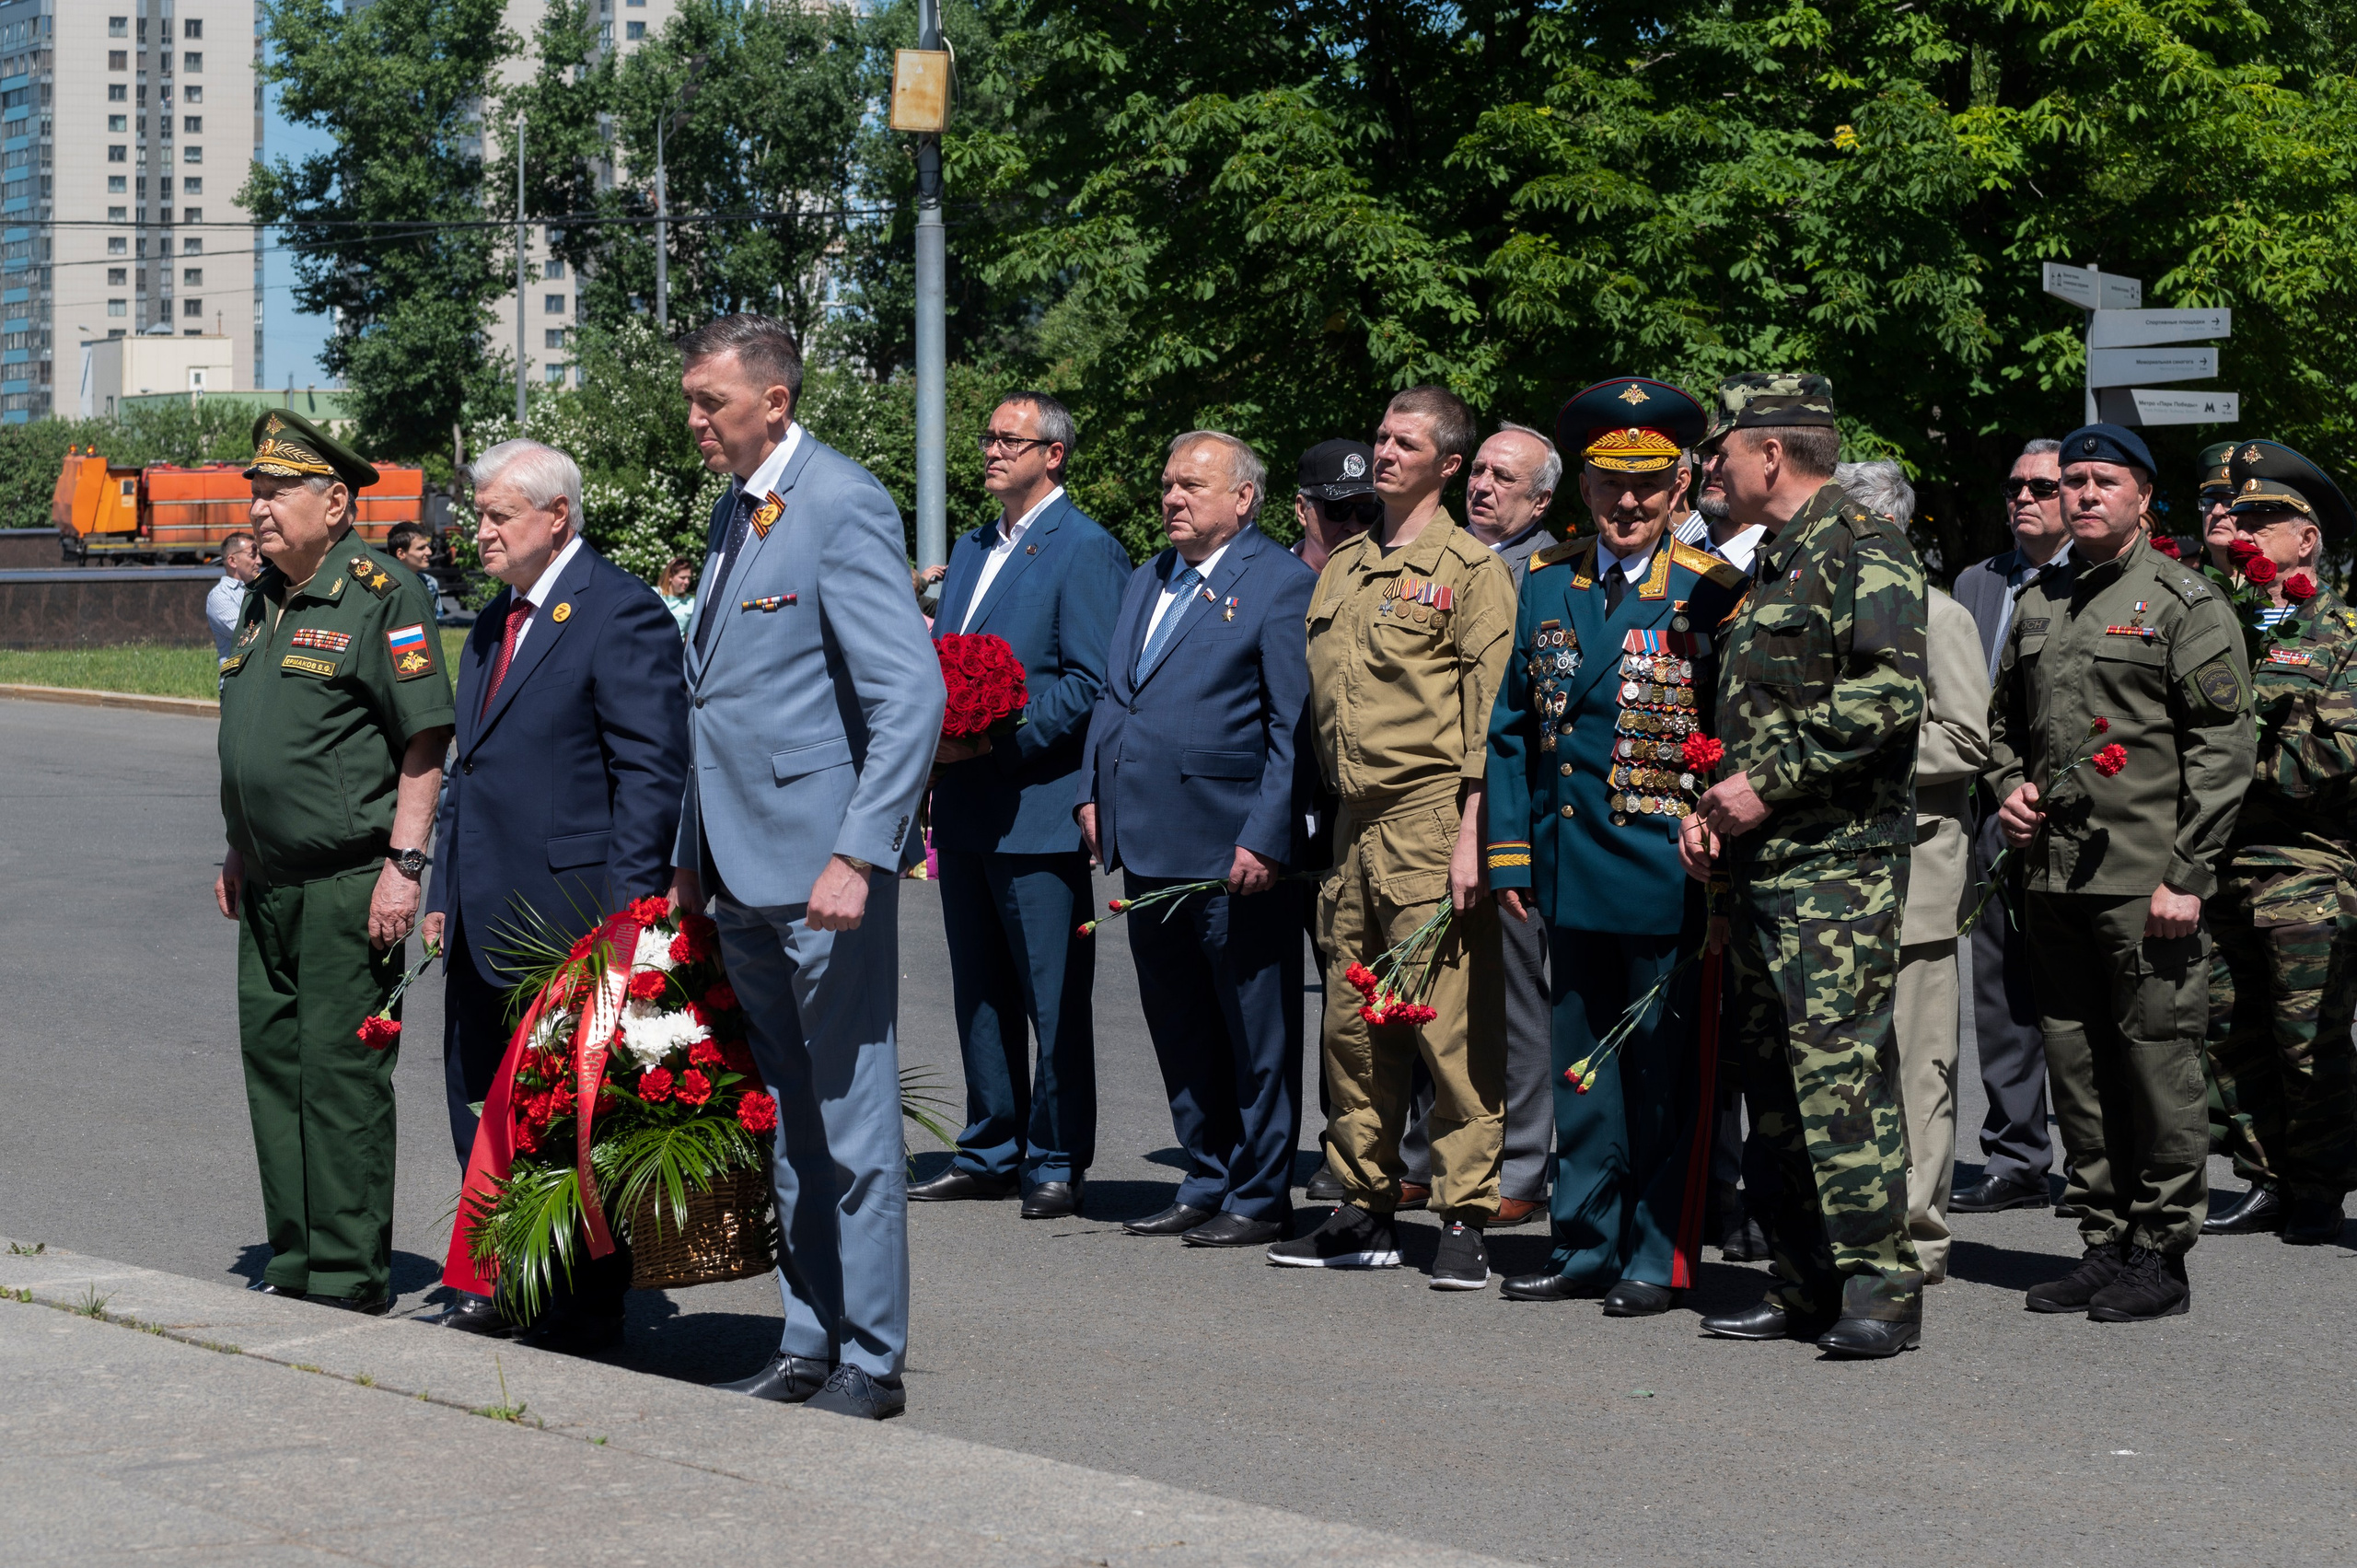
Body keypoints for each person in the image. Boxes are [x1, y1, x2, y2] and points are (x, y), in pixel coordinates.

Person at [668, 315, 943, 1420]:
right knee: (787, 1118)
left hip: (821, 876)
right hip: (740, 872)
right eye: (692, 402)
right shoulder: (745, 509)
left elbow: (907, 693)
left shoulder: (839, 500)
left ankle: (872, 1358)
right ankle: (806, 1334)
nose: (695, 423)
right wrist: (693, 859)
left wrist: (858, 851)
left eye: (710, 403)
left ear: (773, 400)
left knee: (853, 1120)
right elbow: (717, 702)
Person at [1677, 373, 1929, 1359]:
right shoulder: (1767, 564)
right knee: (1771, 1082)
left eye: (1720, 449)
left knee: (1838, 1075)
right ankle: (1801, 1285)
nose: (1711, 467)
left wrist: (1766, 783)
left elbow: (1888, 697)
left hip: (1835, 866)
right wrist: (1709, 813)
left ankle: (1880, 1287)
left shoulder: (1866, 550)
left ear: (1769, 453)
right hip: (1759, 864)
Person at [420, 439, 690, 1346]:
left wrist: (628, 917)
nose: (479, 531)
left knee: (574, 1112)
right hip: (484, 908)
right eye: (479, 514)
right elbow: (474, 766)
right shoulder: (495, 619)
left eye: (498, 515)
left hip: (576, 915)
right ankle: (504, 1269)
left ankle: (582, 1295)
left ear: (555, 517)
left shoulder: (620, 612)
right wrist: (441, 885)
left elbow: (651, 777)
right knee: (485, 1097)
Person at [1486, 377, 1747, 1314]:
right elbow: (1512, 727)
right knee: (1579, 1070)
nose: (1627, 504)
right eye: (1608, 486)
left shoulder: (1712, 591)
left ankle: (1655, 1253)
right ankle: (1584, 1241)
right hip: (1566, 865)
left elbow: (1733, 729)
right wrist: (1509, 854)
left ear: (1680, 487)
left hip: (1663, 870)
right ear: (1583, 491)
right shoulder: (1548, 580)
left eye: (1647, 486)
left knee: (1660, 1076)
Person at [1989, 422, 2253, 1323]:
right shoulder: (2037, 602)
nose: (2082, 494)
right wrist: (2006, 790)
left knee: (2157, 1067)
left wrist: (2187, 874)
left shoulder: (2183, 602)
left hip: (2146, 885)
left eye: (2103, 480)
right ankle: (2101, 1240)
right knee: (2077, 1069)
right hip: (2054, 880)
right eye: (2071, 482)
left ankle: (2160, 1251)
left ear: (2142, 496)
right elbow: (2001, 731)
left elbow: (2222, 750)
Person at [1271, 384, 1515, 1290]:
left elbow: (1491, 720)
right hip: (1352, 825)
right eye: (1380, 436)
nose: (1384, 452)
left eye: (1405, 441)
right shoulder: (1344, 566)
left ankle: (1462, 1212)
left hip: (1429, 816)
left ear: (1448, 464)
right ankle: (1363, 1200)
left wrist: (1472, 838)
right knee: (1353, 1023)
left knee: (1447, 1025)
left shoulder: (1471, 570)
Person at [212, 409, 455, 1313]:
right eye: (257, 494)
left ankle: (348, 1270)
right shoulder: (262, 594)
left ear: (338, 502)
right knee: (275, 1067)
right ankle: (297, 1257)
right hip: (267, 879)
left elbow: (424, 737)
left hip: (351, 878)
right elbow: (264, 731)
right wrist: (241, 838)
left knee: (341, 1074)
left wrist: (405, 861)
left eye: (278, 494)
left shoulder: (382, 591)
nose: (261, 510)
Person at [1079, 431, 1318, 1248]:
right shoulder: (1150, 575)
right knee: (1178, 1019)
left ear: (1243, 498)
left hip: (1232, 849)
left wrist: (1267, 836)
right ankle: (1205, 1171)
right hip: (1145, 840)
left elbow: (1293, 728)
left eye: (1192, 485)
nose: (1172, 498)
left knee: (1256, 1029)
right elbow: (1117, 696)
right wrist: (1092, 789)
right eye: (1167, 483)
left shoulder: (1281, 583)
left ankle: (1260, 1191)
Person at [911, 392, 1130, 1221]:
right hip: (965, 803)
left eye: (1012, 439)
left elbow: (1089, 680)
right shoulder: (969, 548)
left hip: (1033, 802)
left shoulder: (1085, 549)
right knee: (979, 987)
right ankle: (990, 1144)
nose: (993, 449)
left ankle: (1056, 1153)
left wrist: (999, 741)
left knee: (1051, 992)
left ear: (1055, 454)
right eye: (989, 435)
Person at [1399, 422, 1563, 1227]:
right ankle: (1425, 1155)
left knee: (1517, 1002)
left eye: (1505, 477)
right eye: (1482, 471)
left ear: (1541, 500)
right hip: (1429, 813)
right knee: (1437, 990)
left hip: (1510, 815)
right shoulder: (1442, 558)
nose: (1484, 485)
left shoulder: (1548, 571)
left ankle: (1524, 1167)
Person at [2200, 440, 2357, 1245]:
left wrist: (2223, 759)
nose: (2247, 530)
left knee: (2308, 1040)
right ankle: (2264, 1175)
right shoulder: (2221, 621)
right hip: (2216, 860)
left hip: (2304, 867)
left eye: (2269, 517)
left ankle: (2321, 1185)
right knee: (2226, 1032)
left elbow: (2320, 761)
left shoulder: (2343, 636)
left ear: (2310, 538)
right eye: (2241, 516)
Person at [1840, 459, 1990, 1285]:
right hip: (1833, 871)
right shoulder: (1824, 611)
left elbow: (1968, 740)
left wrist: (1850, 756)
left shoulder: (1941, 616)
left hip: (1917, 875)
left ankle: (1919, 1232)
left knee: (1917, 1066)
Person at [1946, 438, 2070, 1216]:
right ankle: (2017, 1152)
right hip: (1985, 807)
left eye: (2043, 486)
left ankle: (2096, 1161)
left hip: (2060, 807)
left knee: (2072, 986)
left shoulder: (2091, 582)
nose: (2024, 497)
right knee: (1995, 987)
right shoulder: (1975, 580)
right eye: (2015, 485)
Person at [1293, 438, 1380, 573]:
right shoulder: (1270, 582)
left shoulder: (1390, 584)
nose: (1353, 527)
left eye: (1367, 510)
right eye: (1338, 509)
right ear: (1302, 509)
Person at [207, 529, 261, 661]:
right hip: (236, 678)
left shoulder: (262, 588)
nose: (259, 561)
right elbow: (247, 633)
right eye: (252, 555)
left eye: (260, 555)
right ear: (232, 561)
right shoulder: (220, 595)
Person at [656, 555, 697, 637]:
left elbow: (688, 637)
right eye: (682, 578)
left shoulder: (691, 603)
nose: (686, 582)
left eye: (689, 578)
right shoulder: (654, 595)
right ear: (670, 576)